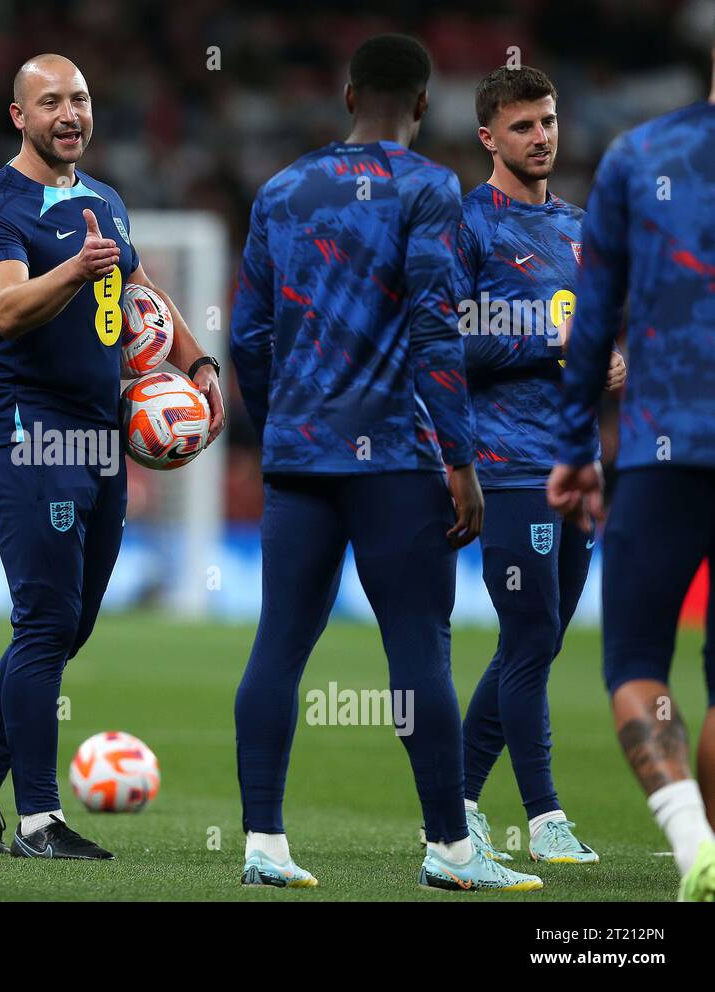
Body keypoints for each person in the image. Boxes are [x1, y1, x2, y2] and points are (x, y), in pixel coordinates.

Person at [230, 34, 541, 892]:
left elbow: (248, 335)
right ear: (424, 105)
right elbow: (438, 328)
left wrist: (282, 424)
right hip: (397, 461)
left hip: (301, 458)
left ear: (346, 97)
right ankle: (449, 848)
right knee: (417, 652)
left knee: (278, 647)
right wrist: (462, 459)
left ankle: (263, 842)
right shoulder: (429, 188)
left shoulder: (282, 190)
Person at [0, 53, 225, 860]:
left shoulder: (105, 201)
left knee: (71, 625)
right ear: (18, 117)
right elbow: (5, 306)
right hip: (27, 434)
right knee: (45, 623)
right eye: (52, 102)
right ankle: (38, 821)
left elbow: (142, 290)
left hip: (100, 435)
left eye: (81, 100)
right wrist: (73, 268)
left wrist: (198, 362)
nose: (70, 114)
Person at [548, 39, 715, 903]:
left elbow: (591, 325)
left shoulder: (638, 156)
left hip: (664, 451)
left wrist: (577, 447)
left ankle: (695, 844)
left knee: (637, 663)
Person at [454, 65, 624, 867]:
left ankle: (454, 802)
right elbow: (447, 346)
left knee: (542, 640)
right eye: (523, 126)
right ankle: (545, 817)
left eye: (548, 120)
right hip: (507, 468)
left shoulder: (581, 228)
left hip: (575, 467)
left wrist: (609, 360)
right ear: (490, 137)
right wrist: (549, 343)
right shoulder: (466, 228)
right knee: (528, 641)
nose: (542, 136)